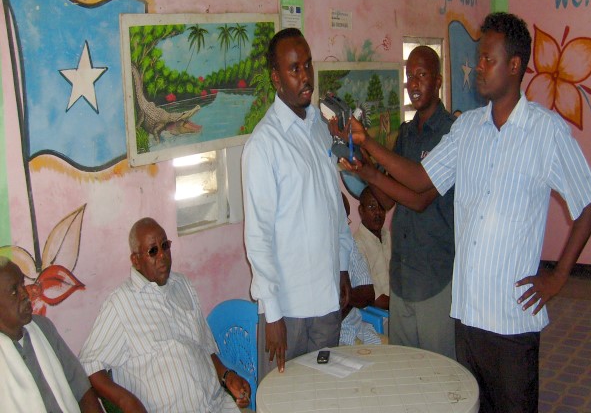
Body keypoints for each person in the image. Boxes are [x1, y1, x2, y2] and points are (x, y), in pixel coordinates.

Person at [334, 12, 591, 413]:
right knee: (470, 404)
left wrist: (558, 275)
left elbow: (590, 200)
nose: (479, 67)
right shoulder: (467, 129)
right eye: (479, 59)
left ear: (515, 66)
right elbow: (420, 179)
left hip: (512, 318)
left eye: (488, 60)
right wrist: (367, 144)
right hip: (467, 315)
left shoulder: (545, 132)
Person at [242, 27, 352, 380]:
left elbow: (333, 207)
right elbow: (258, 236)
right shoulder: (264, 144)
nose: (306, 77)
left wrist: (343, 266)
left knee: (325, 397)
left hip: (327, 302)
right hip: (288, 311)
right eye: (294, 69)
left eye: (308, 65)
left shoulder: (319, 127)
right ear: (276, 78)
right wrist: (272, 314)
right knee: (283, 398)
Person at [79, 218, 250, 413]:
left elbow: (205, 346)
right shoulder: (120, 304)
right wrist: (127, 402)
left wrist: (227, 376)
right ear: (136, 260)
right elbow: (88, 363)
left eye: (165, 246)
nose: (162, 255)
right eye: (153, 251)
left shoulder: (183, 285)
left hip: (217, 405)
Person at [358, 46, 456, 358]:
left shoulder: (451, 133)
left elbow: (419, 198)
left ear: (438, 81)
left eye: (421, 75)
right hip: (401, 277)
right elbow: (387, 200)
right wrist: (363, 167)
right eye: (409, 76)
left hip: (434, 277)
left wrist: (369, 149)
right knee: (406, 368)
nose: (413, 83)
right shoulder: (407, 133)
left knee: (438, 369)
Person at [0, 257, 103, 413]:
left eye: (23, 284)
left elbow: (82, 390)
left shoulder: (43, 328)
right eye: (14, 291)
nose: (25, 293)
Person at [339, 193, 381, 346]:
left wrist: (343, 298)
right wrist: (348, 297)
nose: (344, 227)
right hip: (328, 335)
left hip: (353, 328)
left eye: (346, 220)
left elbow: (368, 293)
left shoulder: (350, 245)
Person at [353, 187, 390, 311]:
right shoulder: (356, 245)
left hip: (401, 308)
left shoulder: (390, 236)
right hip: (379, 314)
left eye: (381, 207)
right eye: (372, 207)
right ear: (361, 211)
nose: (378, 212)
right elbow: (374, 299)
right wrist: (404, 305)